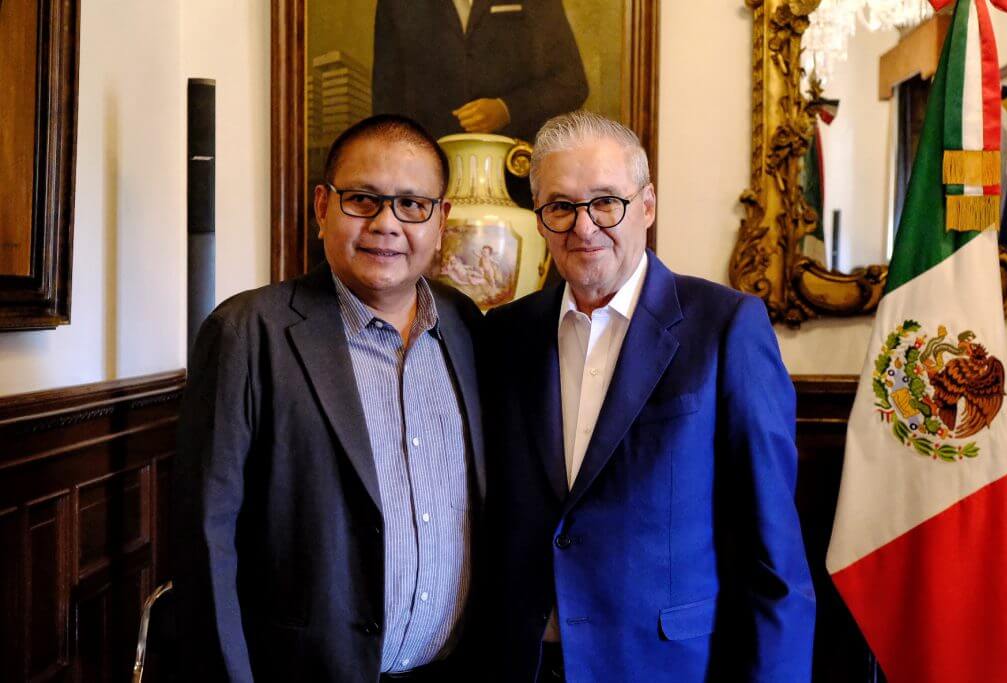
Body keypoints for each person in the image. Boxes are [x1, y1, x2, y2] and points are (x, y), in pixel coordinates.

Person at [482, 111, 816, 682]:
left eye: (606, 202)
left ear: (648, 206)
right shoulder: (504, 334)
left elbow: (775, 558)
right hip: (528, 662)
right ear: (539, 218)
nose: (584, 228)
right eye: (560, 206)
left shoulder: (726, 327)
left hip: (667, 665)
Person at [174, 114, 485, 682]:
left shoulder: (465, 326)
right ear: (322, 207)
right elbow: (206, 539)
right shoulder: (249, 331)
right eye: (362, 199)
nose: (386, 224)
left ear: (441, 221)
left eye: (412, 205)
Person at [372, 0, 589, 142]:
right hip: (428, 177)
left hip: (516, 173)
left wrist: (507, 109)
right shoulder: (395, 4)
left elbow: (571, 83)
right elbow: (386, 103)